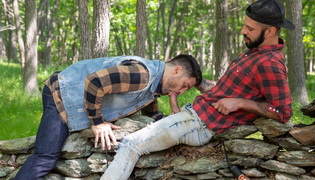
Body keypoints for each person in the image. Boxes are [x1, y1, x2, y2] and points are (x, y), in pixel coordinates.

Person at [101, 0, 294, 179]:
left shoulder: (269, 64)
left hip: (199, 124)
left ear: (270, 32)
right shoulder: (253, 52)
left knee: (131, 144)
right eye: (245, 24)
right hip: (193, 116)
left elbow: (282, 112)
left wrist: (241, 103)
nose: (243, 31)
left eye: (250, 28)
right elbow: (222, 91)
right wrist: (195, 82)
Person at [15, 54, 202, 179]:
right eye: (185, 85)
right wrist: (98, 122)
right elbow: (95, 81)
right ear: (176, 70)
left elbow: (151, 111)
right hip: (61, 93)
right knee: (46, 156)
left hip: (72, 96)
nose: (183, 91)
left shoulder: (152, 86)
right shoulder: (142, 74)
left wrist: (174, 121)